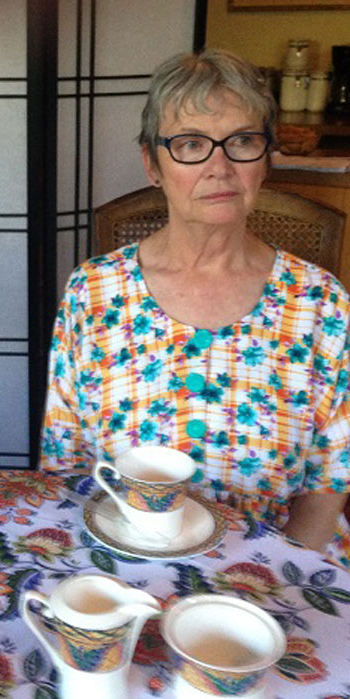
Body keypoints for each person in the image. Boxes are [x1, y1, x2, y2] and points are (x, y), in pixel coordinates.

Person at [40, 48, 350, 567]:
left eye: (243, 141)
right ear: (152, 163)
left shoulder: (321, 303)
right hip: (127, 568)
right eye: (190, 144)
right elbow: (66, 466)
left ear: (266, 157)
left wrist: (270, 580)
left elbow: (331, 478)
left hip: (278, 574)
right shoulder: (91, 294)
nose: (219, 166)